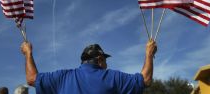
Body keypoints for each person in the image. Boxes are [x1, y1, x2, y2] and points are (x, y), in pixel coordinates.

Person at [21, 39, 157, 94]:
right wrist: (149, 54)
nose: (106, 64)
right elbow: (145, 80)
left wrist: (28, 53)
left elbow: (32, 78)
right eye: (105, 60)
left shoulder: (62, 78)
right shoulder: (112, 77)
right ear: (99, 59)